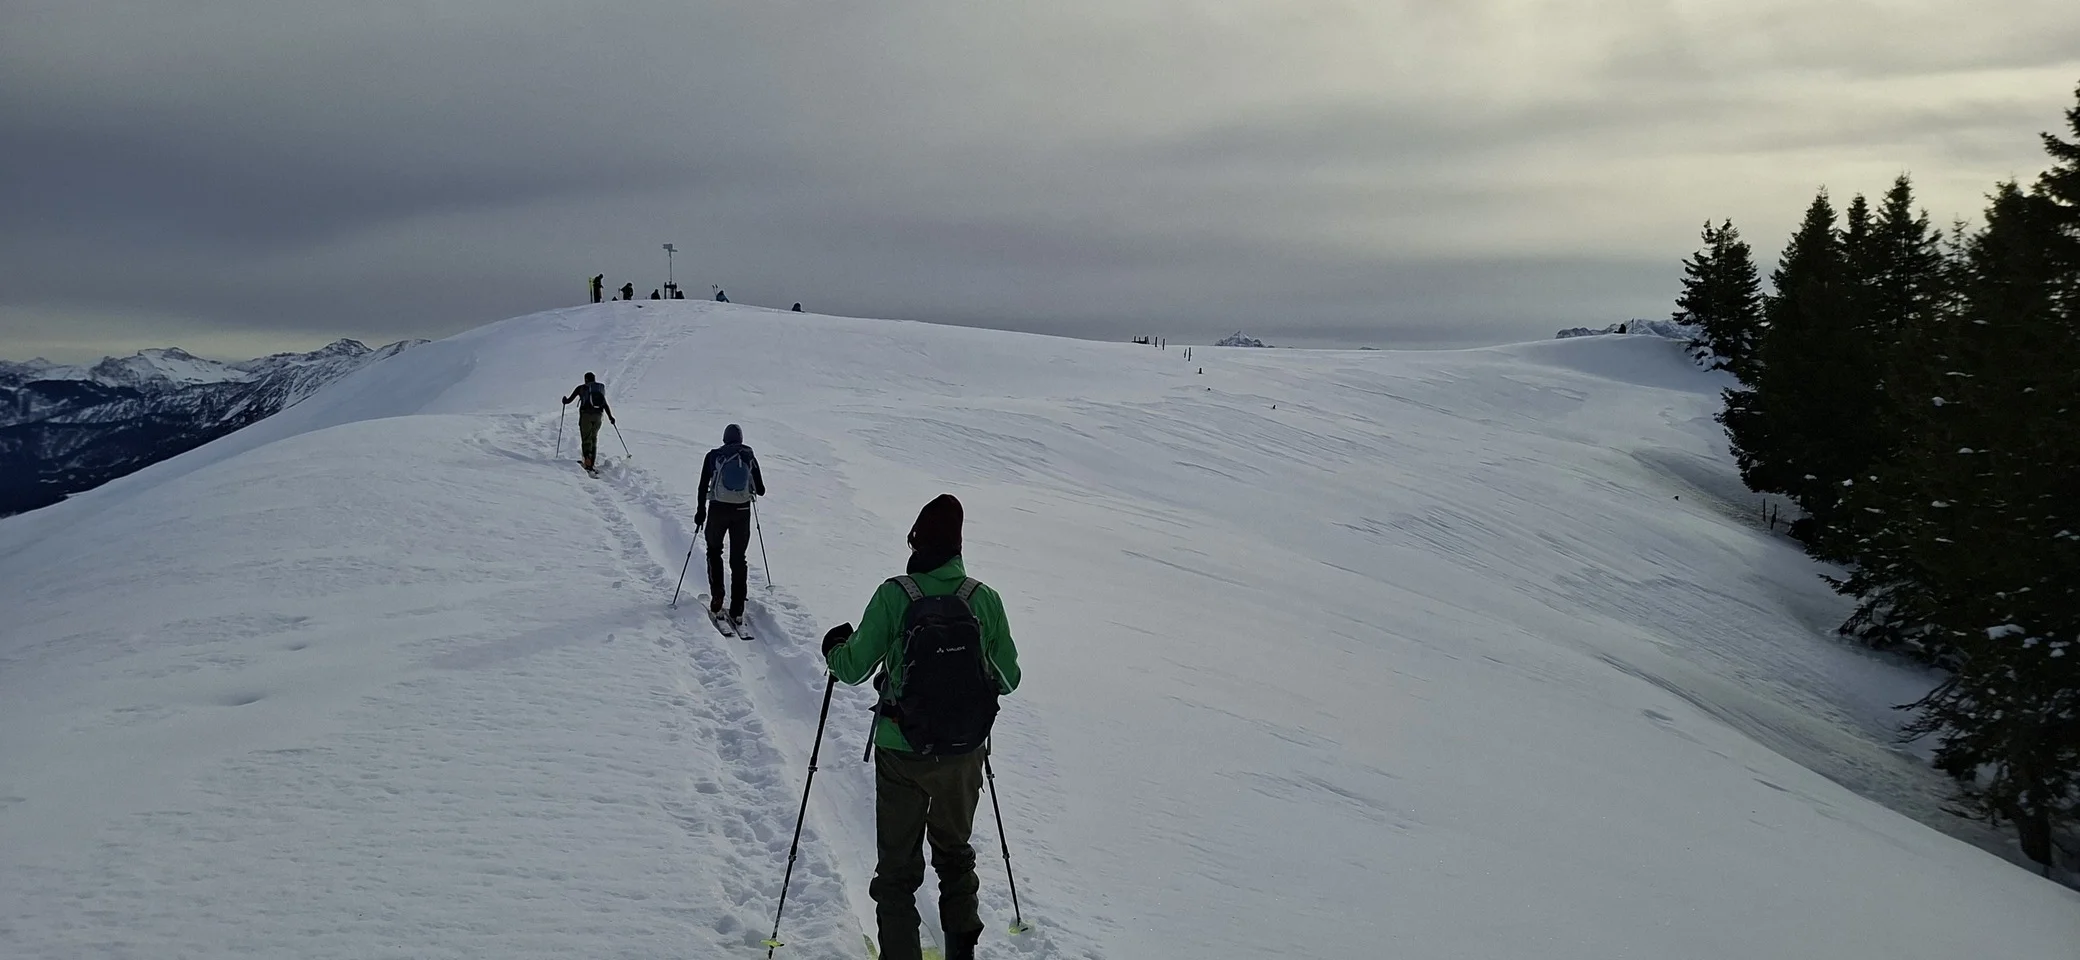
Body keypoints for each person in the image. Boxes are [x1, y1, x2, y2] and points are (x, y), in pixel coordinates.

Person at [821, 494, 1020, 960]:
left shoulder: (896, 594)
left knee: (896, 871)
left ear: (916, 539)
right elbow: (1009, 679)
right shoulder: (982, 598)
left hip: (901, 748)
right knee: (955, 857)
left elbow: (850, 668)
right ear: (958, 545)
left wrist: (834, 646)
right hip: (963, 753)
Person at [694, 424, 766, 624]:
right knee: (738, 559)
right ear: (740, 439)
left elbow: (702, 487)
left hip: (717, 510)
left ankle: (717, 595)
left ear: (725, 438)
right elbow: (761, 490)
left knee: (714, 551)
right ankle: (738, 609)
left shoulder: (713, 456)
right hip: (742, 512)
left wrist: (700, 511)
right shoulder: (749, 456)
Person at [560, 373, 615, 472]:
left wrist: (564, 400)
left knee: (586, 438)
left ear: (586, 379)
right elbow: (605, 404)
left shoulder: (581, 388)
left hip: (586, 415)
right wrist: (610, 417)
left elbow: (568, 400)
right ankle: (592, 462)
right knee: (594, 438)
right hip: (598, 416)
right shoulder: (599, 388)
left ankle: (587, 462)